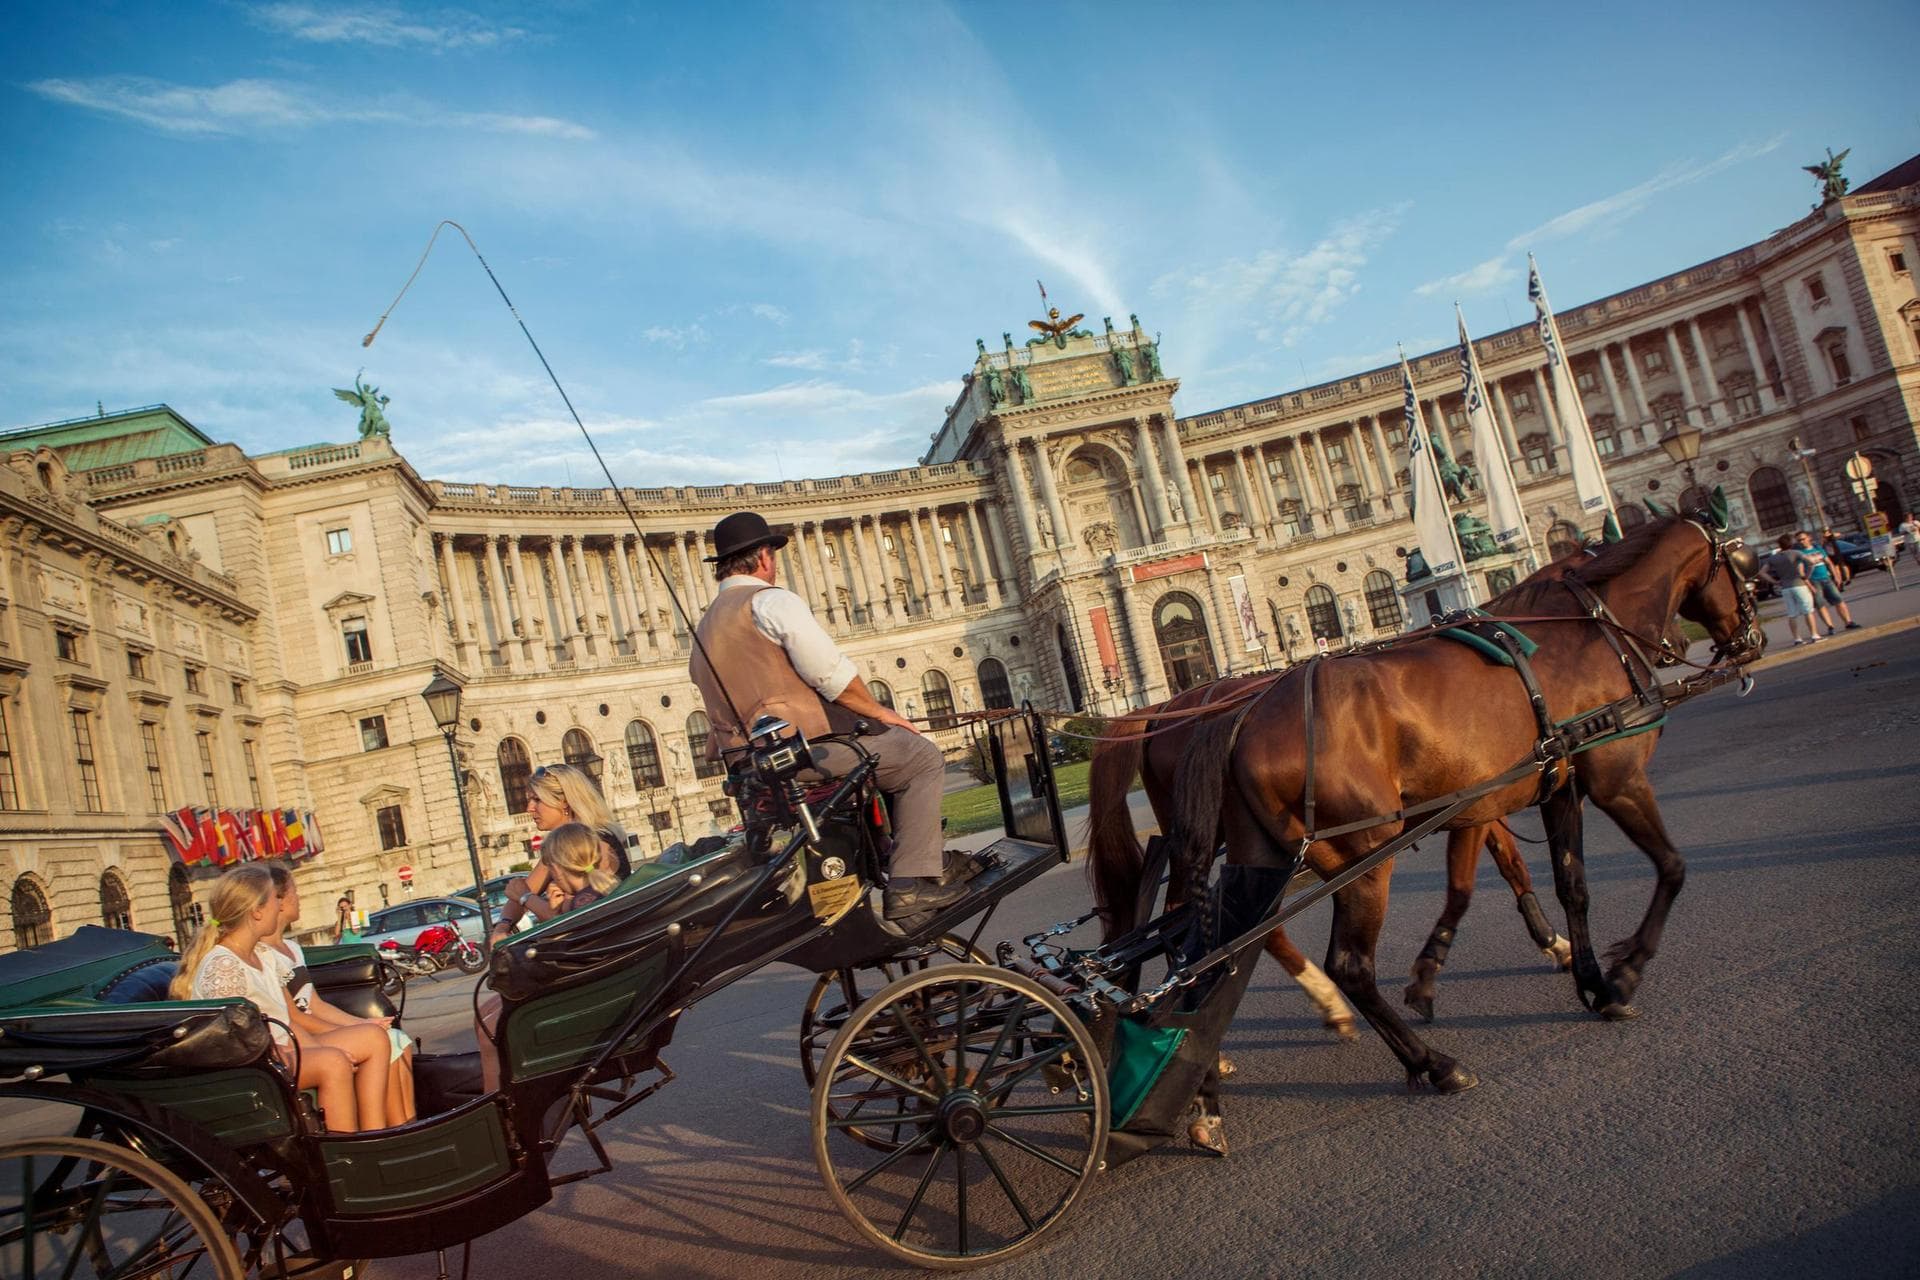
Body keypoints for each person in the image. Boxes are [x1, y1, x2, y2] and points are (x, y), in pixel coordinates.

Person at [688, 511, 964, 925]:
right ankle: (910, 883)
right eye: (772, 554)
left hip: (754, 771)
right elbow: (830, 675)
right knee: (919, 756)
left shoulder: (703, 631)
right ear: (764, 556)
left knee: (886, 753)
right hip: (805, 757)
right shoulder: (770, 601)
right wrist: (881, 712)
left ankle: (895, 853)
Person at [169, 864, 393, 1131]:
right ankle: (343, 1153)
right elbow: (232, 1040)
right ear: (257, 911)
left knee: (373, 1038)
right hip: (255, 1063)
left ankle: (376, 1134)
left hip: (281, 1047)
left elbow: (288, 1019)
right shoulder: (223, 965)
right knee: (333, 1062)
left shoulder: (263, 956)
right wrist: (317, 1053)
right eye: (275, 899)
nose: (279, 904)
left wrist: (314, 1048)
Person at [263, 863, 416, 1124]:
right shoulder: (266, 954)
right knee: (381, 1040)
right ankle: (382, 1128)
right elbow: (297, 1017)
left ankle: (406, 1122)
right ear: (277, 901)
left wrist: (362, 1023)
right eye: (294, 892)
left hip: (311, 1028)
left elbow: (316, 1005)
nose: (298, 898)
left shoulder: (291, 948)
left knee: (398, 1041)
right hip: (302, 1036)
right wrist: (363, 1026)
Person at [476, 823, 618, 1089]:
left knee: (489, 1028)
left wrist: (527, 897)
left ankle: (494, 1100)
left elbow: (565, 947)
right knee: (486, 1017)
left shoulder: (584, 901)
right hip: (589, 983)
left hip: (579, 993)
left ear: (559, 867)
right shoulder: (594, 892)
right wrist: (558, 910)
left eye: (550, 868)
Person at [524, 762, 631, 882]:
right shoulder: (560, 846)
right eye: (529, 800)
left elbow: (592, 898)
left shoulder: (596, 844)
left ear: (564, 802)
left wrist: (526, 897)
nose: (529, 809)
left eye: (537, 800)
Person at [1759, 533, 1821, 646]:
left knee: (1792, 614)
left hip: (1785, 587)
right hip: (1799, 584)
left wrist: (1774, 581)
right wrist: (1807, 576)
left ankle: (1797, 638)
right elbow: (1811, 563)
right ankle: (1814, 635)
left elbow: (1762, 572)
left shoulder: (1774, 558)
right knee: (1808, 611)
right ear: (1791, 543)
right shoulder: (1796, 553)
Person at [1793, 530, 1860, 634]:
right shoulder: (1800, 554)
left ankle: (1848, 622)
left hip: (1826, 578)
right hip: (1814, 581)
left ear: (1809, 538)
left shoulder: (1818, 549)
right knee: (1820, 605)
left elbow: (1829, 563)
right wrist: (1809, 586)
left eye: (1803, 539)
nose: (1801, 542)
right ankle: (1830, 626)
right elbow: (1801, 572)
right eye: (1799, 540)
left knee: (1839, 600)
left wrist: (1837, 576)